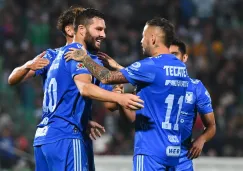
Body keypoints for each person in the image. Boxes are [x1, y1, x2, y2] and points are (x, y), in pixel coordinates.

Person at [9, 7, 143, 171]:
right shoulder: (84, 57)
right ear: (75, 29)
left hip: (43, 137)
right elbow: (92, 93)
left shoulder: (51, 55)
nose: (103, 35)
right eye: (97, 29)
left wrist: (82, 118)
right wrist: (119, 93)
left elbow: (13, 79)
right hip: (67, 136)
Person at [65, 17, 189, 170]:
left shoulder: (151, 65)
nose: (141, 41)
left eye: (143, 36)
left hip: (151, 150)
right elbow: (154, 79)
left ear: (153, 38)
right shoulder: (180, 68)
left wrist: (85, 59)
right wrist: (118, 67)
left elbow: (106, 77)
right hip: (173, 150)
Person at [168, 39, 216, 171]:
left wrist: (202, 139)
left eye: (175, 54)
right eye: (167, 55)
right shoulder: (153, 84)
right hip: (156, 156)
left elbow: (211, 126)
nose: (171, 59)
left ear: (184, 58)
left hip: (183, 158)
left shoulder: (196, 87)